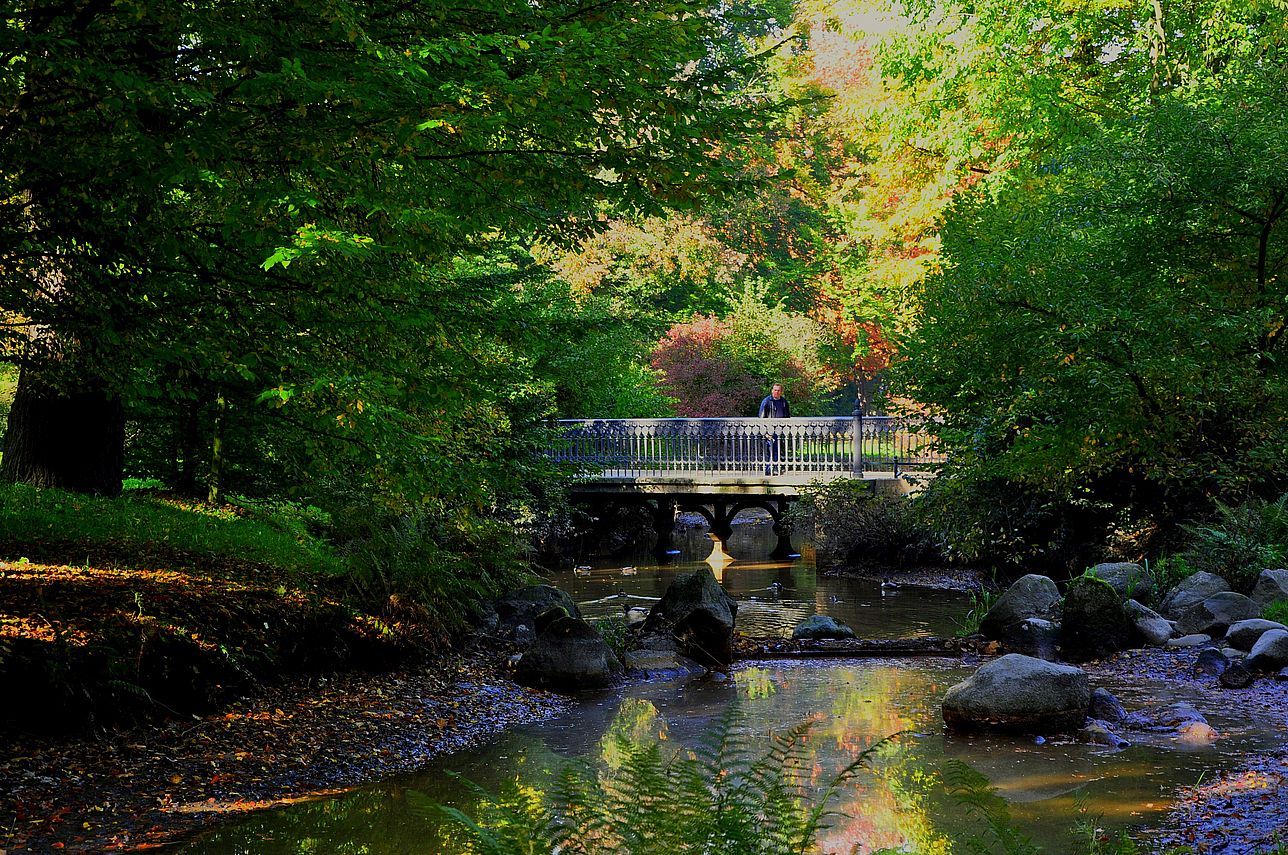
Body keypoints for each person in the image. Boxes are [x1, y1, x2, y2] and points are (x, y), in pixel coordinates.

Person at [758, 383, 790, 473]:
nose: (776, 392)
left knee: (778, 449)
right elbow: (761, 417)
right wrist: (766, 432)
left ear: (781, 392)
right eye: (775, 390)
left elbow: (787, 416)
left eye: (778, 390)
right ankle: (770, 469)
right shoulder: (767, 401)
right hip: (770, 430)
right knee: (771, 450)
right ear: (772, 390)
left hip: (780, 430)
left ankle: (774, 468)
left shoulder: (784, 402)